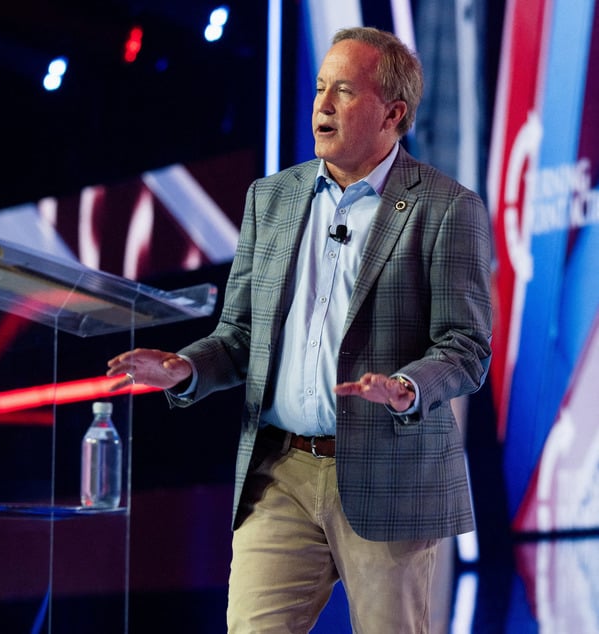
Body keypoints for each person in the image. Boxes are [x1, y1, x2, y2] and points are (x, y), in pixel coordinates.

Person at [107, 26, 492, 633]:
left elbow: (466, 348)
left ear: (393, 113)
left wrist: (407, 388)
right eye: (319, 89)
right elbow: (238, 337)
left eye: (344, 90)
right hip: (280, 470)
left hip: (389, 472)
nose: (323, 104)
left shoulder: (445, 208)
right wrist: (186, 368)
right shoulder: (272, 198)